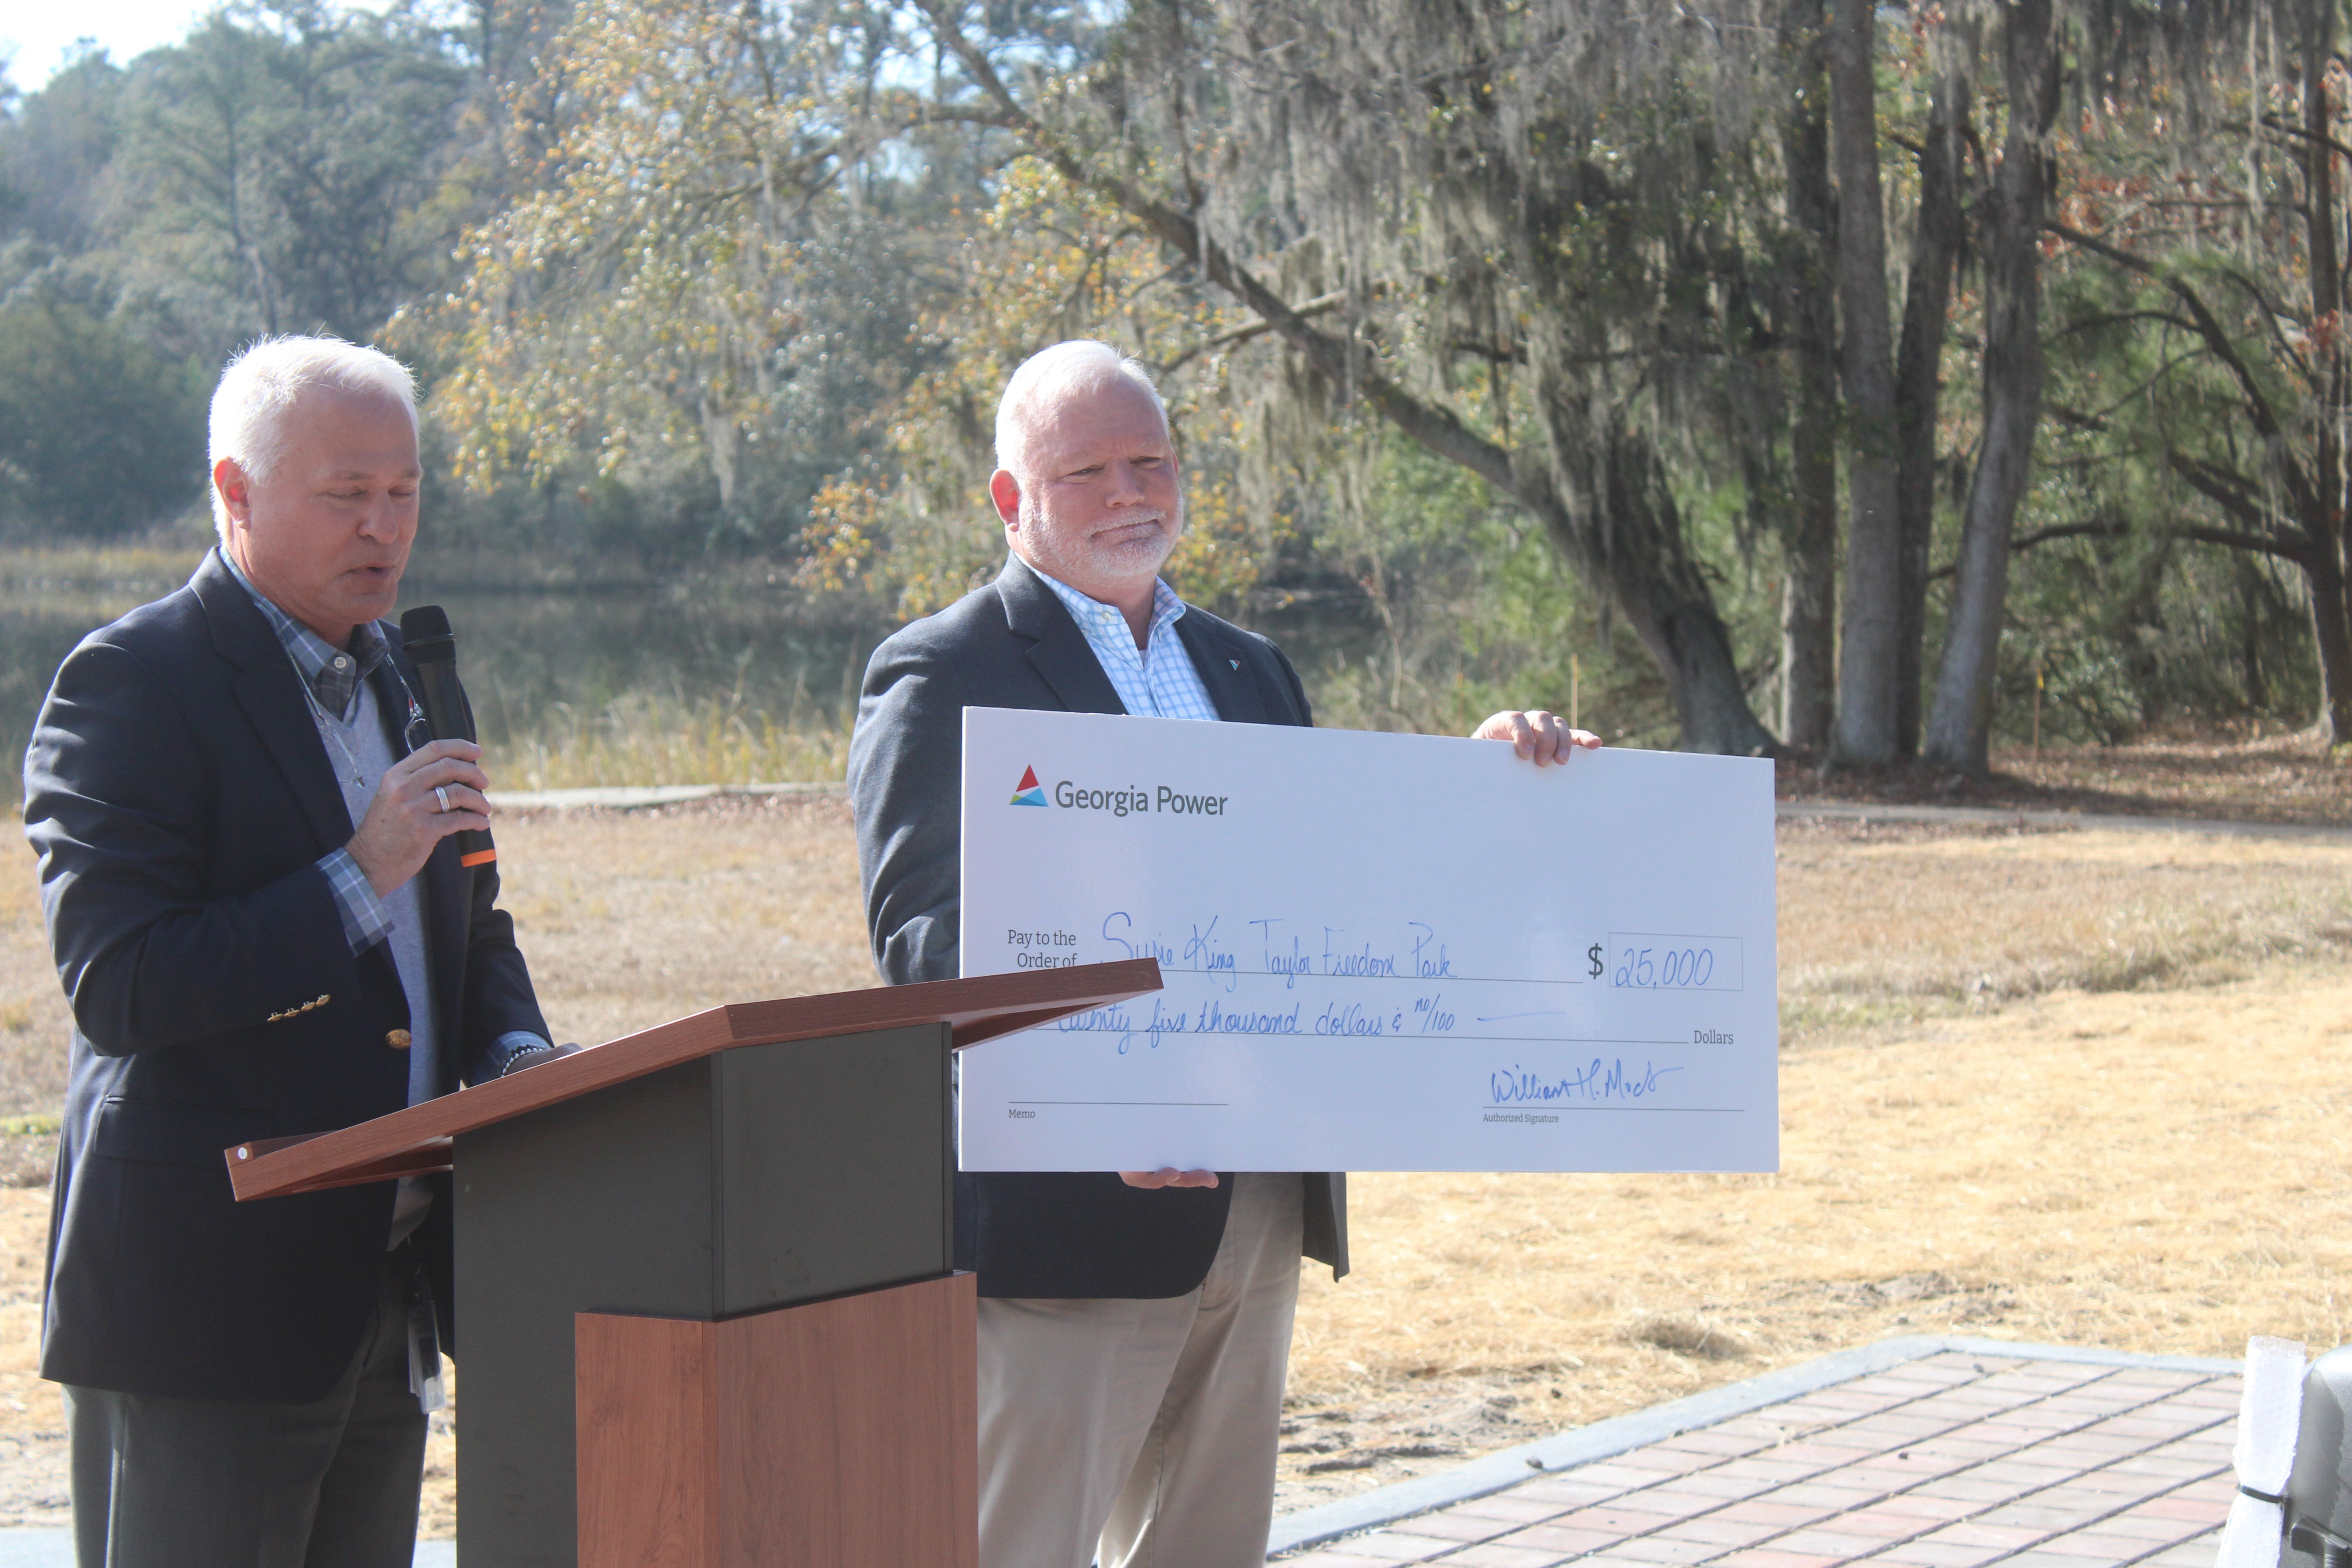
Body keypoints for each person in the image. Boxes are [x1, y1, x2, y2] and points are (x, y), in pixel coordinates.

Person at [847, 339, 1597, 1568]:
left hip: (1257, 1191)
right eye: (1086, 472)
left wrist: (1481, 786)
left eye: (1150, 461)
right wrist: (1095, 1095)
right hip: (1072, 1209)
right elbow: (926, 942)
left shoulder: (1251, 667)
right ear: (1011, 498)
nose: (1130, 493)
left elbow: (1332, 893)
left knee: (1211, 1545)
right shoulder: (944, 669)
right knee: (1017, 1548)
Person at [21, 336, 568, 1568]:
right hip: (209, 1307)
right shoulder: (132, 684)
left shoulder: (407, 672)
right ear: (236, 491)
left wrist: (518, 1055)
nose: (385, 527)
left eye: (405, 490)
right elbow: (123, 985)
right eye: (345, 494)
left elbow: (468, 913)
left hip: (387, 1283)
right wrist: (359, 872)